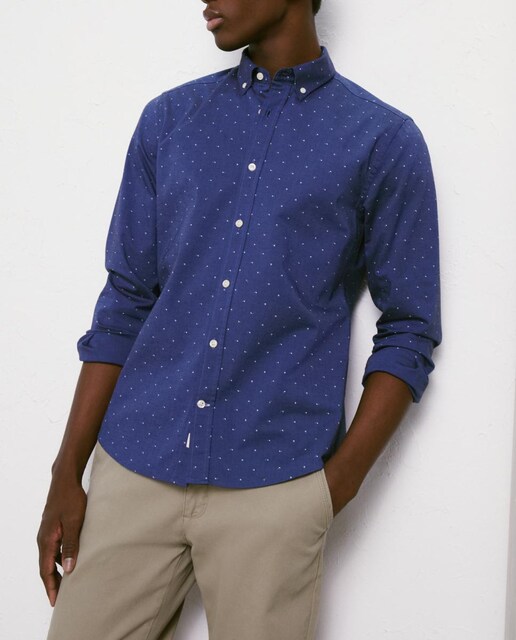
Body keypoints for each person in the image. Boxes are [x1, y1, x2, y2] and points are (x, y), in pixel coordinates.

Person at [38, 0, 442, 638]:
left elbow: (410, 328)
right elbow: (125, 302)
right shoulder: (170, 120)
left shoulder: (379, 140)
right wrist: (67, 471)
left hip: (275, 485)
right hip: (137, 462)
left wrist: (332, 489)